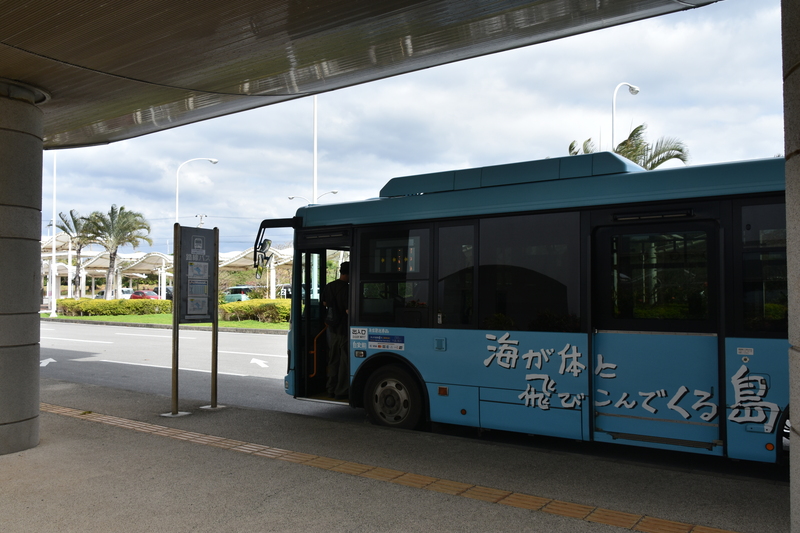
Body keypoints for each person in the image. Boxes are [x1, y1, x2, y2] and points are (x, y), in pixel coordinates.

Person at [322, 261, 349, 399]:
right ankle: (341, 391)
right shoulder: (347, 289)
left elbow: (325, 303)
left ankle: (330, 388)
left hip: (331, 328)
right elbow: (348, 310)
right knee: (344, 361)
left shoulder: (330, 286)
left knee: (333, 359)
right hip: (344, 330)